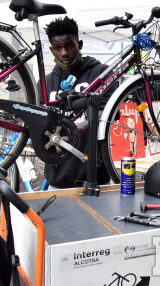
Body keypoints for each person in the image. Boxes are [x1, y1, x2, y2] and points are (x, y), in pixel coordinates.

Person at [40, 16, 117, 189]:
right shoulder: (46, 84)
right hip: (57, 181)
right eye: (58, 48)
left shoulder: (101, 74)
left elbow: (108, 113)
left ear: (79, 44)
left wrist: (73, 130)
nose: (64, 53)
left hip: (95, 179)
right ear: (52, 50)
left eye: (69, 45)